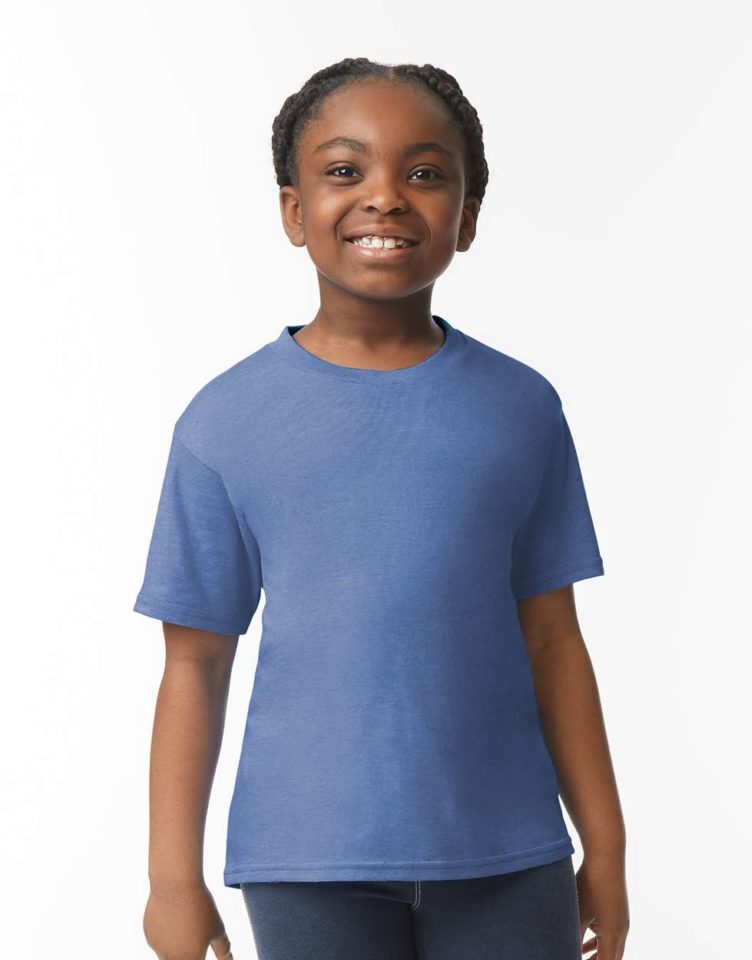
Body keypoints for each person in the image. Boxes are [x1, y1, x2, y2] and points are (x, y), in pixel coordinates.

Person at [135, 57, 630, 960]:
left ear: (467, 217)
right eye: (345, 169)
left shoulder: (521, 409)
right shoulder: (225, 422)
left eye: (426, 172)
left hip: (508, 851)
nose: (386, 197)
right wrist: (172, 880)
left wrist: (607, 847)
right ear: (294, 211)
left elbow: (554, 639)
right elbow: (196, 662)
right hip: (306, 857)